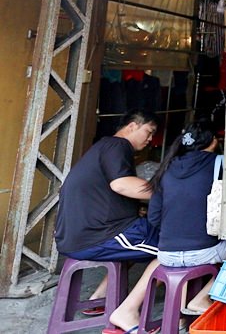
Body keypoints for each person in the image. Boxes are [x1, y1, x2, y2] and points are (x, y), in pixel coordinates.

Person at [54, 110, 161, 334]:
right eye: (149, 132)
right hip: (97, 236)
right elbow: (121, 185)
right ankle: (127, 311)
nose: (151, 139)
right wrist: (170, 193)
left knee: (141, 240)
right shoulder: (117, 145)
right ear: (132, 126)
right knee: (177, 248)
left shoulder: (103, 149)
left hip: (77, 237)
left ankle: (101, 296)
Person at [147, 120, 226, 316]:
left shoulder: (166, 167)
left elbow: (154, 217)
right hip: (204, 251)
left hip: (166, 254)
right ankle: (202, 297)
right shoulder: (220, 164)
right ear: (214, 142)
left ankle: (181, 311)